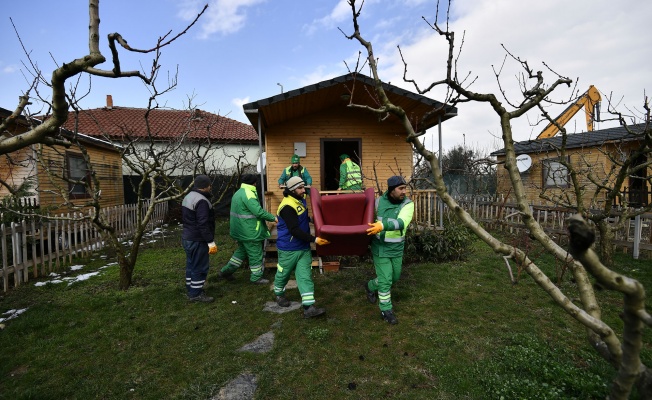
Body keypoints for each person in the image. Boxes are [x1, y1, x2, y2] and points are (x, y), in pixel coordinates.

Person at [273, 176, 331, 318]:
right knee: (283, 274)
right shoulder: (287, 207)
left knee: (305, 276)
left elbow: (303, 218)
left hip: (303, 247)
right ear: (292, 189)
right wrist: (314, 239)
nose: (303, 190)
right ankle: (279, 294)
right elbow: (294, 230)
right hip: (289, 248)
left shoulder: (300, 200)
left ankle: (308, 307)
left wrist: (314, 219)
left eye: (303, 187)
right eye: (300, 188)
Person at [364, 175, 414, 324]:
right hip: (380, 247)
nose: (404, 191)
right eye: (401, 189)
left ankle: (370, 285)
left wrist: (383, 225)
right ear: (391, 190)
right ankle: (386, 310)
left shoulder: (407, 204)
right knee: (386, 280)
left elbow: (402, 222)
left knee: (395, 277)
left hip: (397, 248)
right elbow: (367, 219)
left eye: (405, 188)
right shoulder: (378, 203)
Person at [219, 174, 277, 284]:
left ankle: (225, 272)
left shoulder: (238, 192)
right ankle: (256, 277)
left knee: (241, 253)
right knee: (255, 255)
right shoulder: (249, 194)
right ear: (254, 183)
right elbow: (258, 212)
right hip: (250, 232)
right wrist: (273, 218)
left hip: (239, 230)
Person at [181, 174, 218, 303]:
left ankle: (191, 289)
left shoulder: (189, 196)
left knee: (191, 265)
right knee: (200, 267)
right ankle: (196, 294)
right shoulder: (202, 201)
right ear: (206, 186)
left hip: (187, 237)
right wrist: (210, 241)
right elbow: (203, 224)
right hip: (198, 239)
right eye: (209, 185)